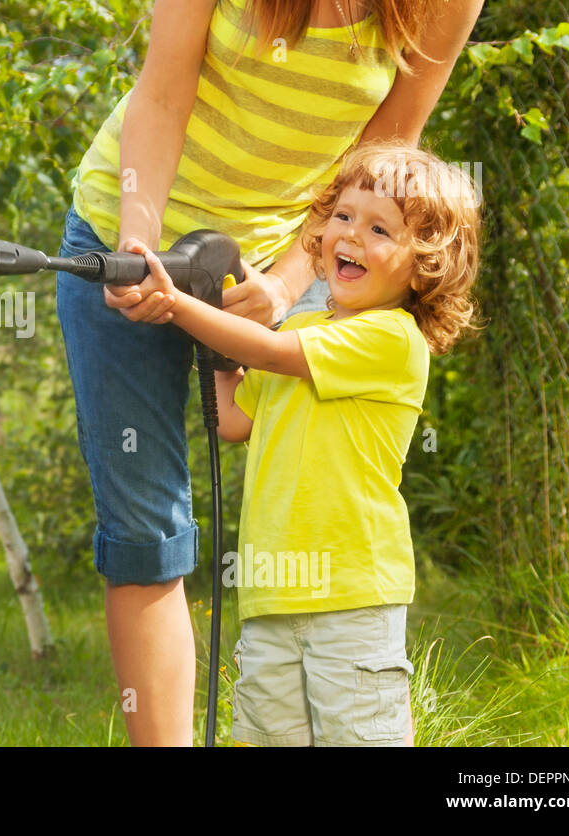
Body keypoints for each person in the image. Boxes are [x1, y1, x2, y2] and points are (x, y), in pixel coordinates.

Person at [56, 0, 495, 744]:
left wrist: (293, 279)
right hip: (130, 222)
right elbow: (162, 93)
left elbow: (387, 149)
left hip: (302, 248)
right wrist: (140, 241)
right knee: (147, 530)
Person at [116, 141, 481, 746]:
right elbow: (234, 418)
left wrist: (179, 306)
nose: (351, 235)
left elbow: (271, 350)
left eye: (379, 228)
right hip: (270, 591)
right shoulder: (308, 326)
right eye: (343, 216)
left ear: (425, 266)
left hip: (351, 596)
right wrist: (213, 331)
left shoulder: (392, 339)